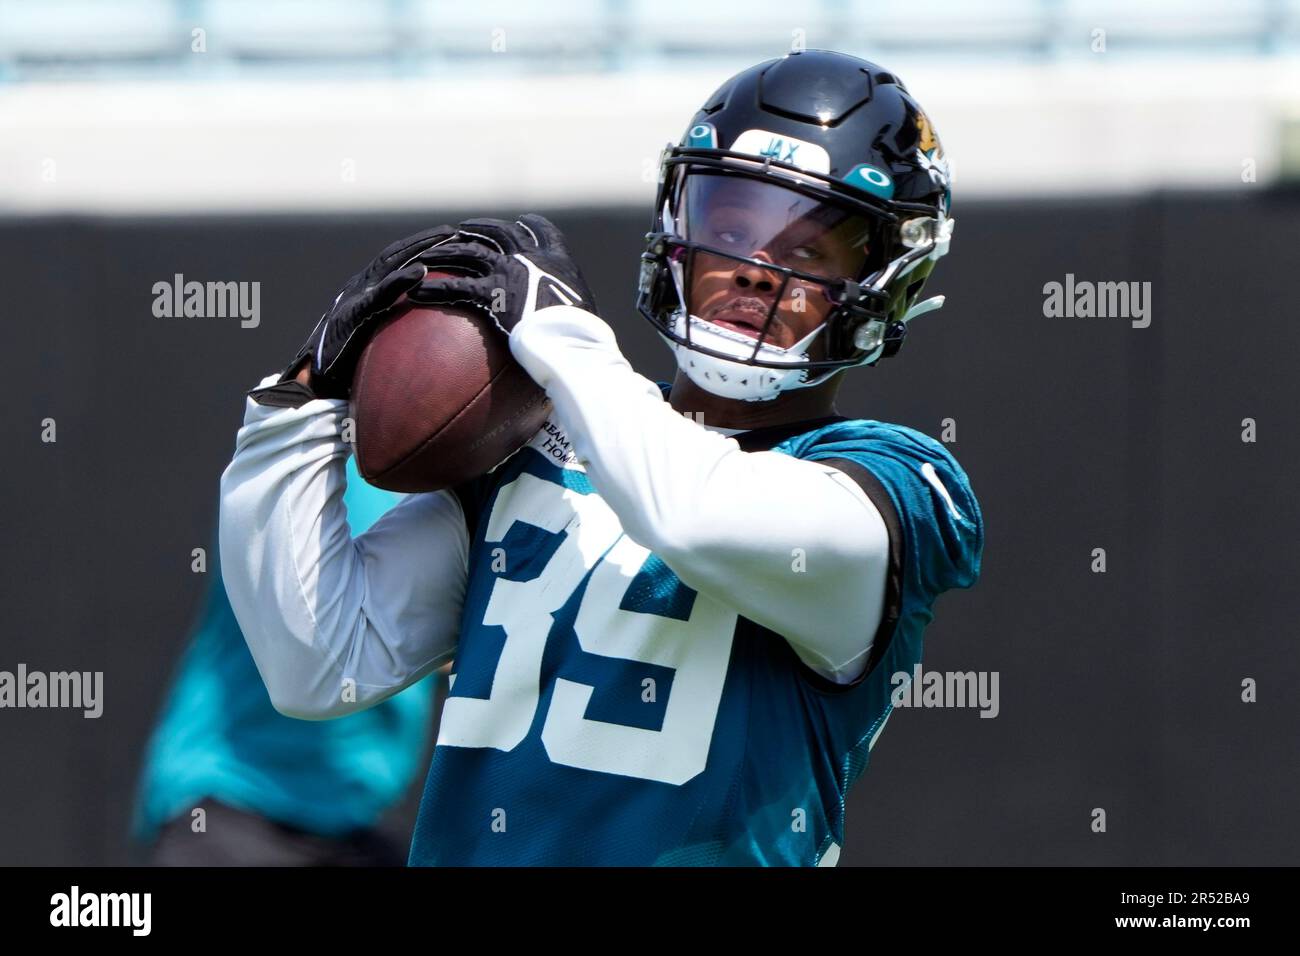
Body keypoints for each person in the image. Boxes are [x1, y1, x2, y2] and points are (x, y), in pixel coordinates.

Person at [219, 49, 983, 866]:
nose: (757, 270)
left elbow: (691, 513)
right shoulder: (547, 441)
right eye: (730, 227)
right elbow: (320, 663)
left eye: (811, 250)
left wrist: (559, 334)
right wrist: (299, 405)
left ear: (887, 279)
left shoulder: (905, 483)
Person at [135, 457, 436, 866]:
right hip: (234, 806)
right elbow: (341, 630)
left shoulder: (454, 484)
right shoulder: (335, 470)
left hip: (350, 822)